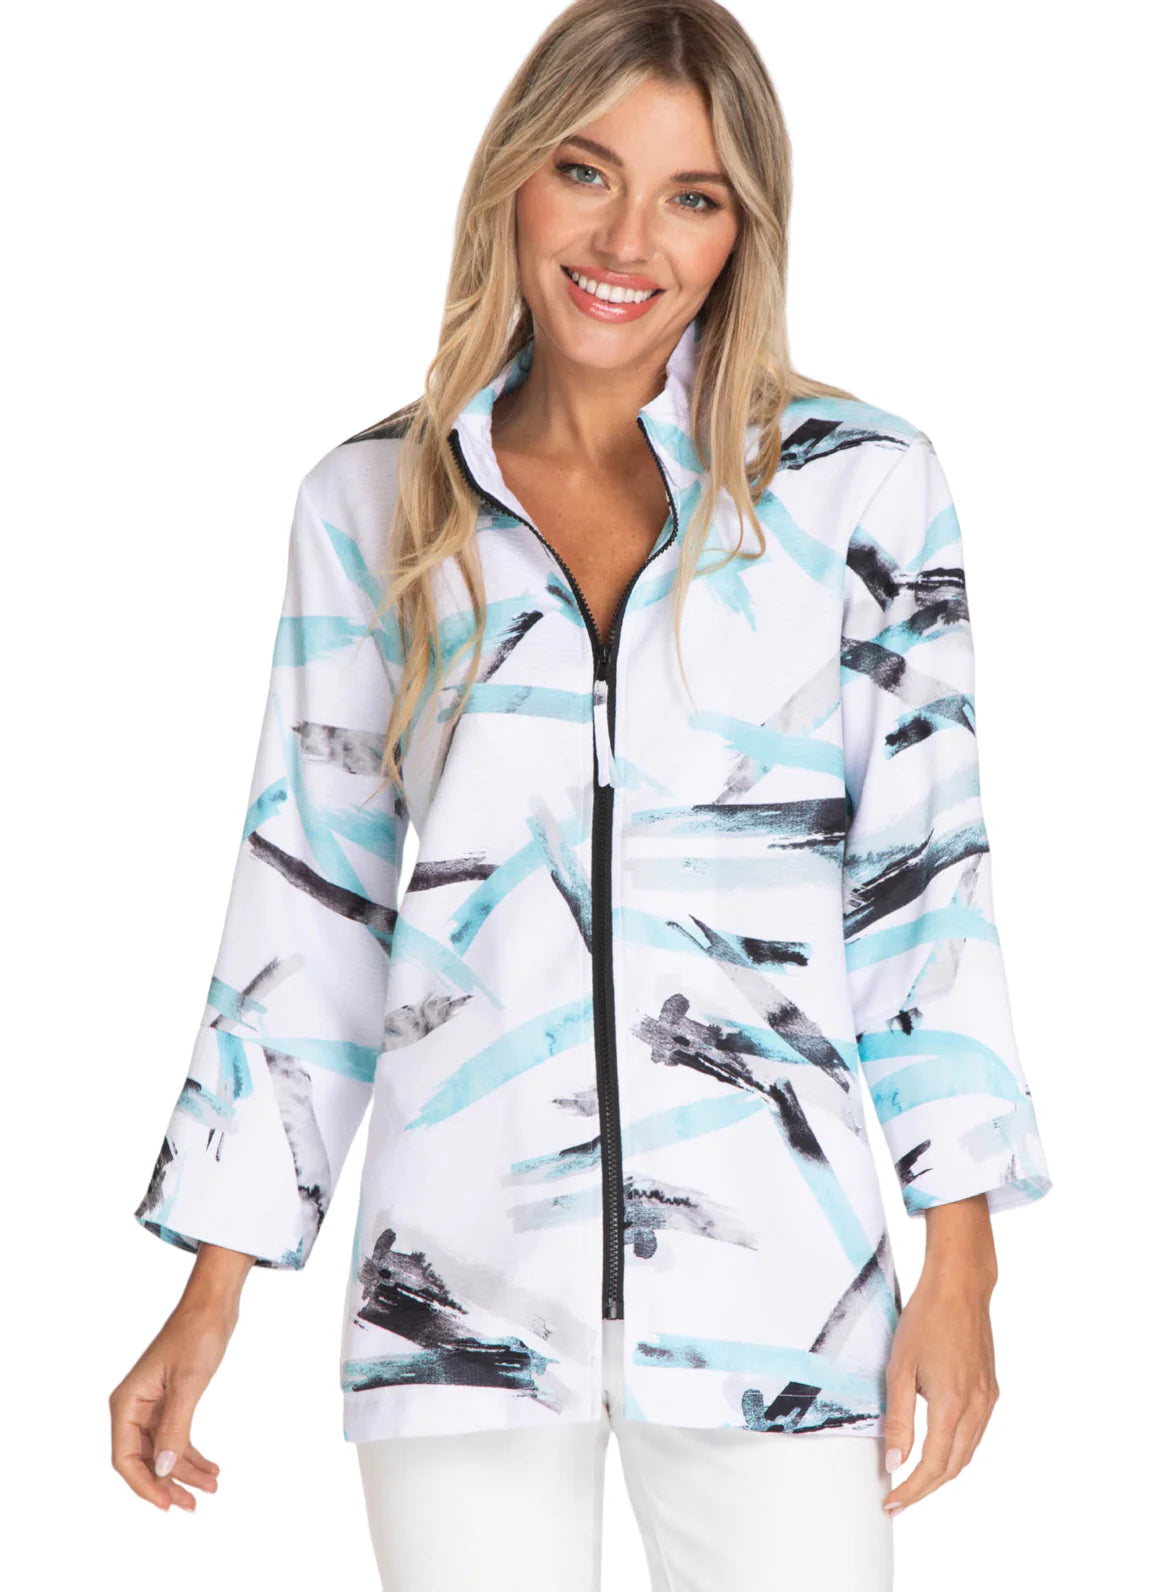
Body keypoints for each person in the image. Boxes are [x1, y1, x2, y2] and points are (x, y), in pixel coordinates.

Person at [109, 2, 1054, 1586]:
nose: (627, 241)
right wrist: (212, 1291)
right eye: (584, 170)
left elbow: (922, 882)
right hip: (453, 1297)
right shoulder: (374, 502)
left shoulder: (856, 489)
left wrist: (959, 1255)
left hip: (782, 1288)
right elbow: (311, 908)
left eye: (691, 196)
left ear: (743, 228)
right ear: (513, 180)